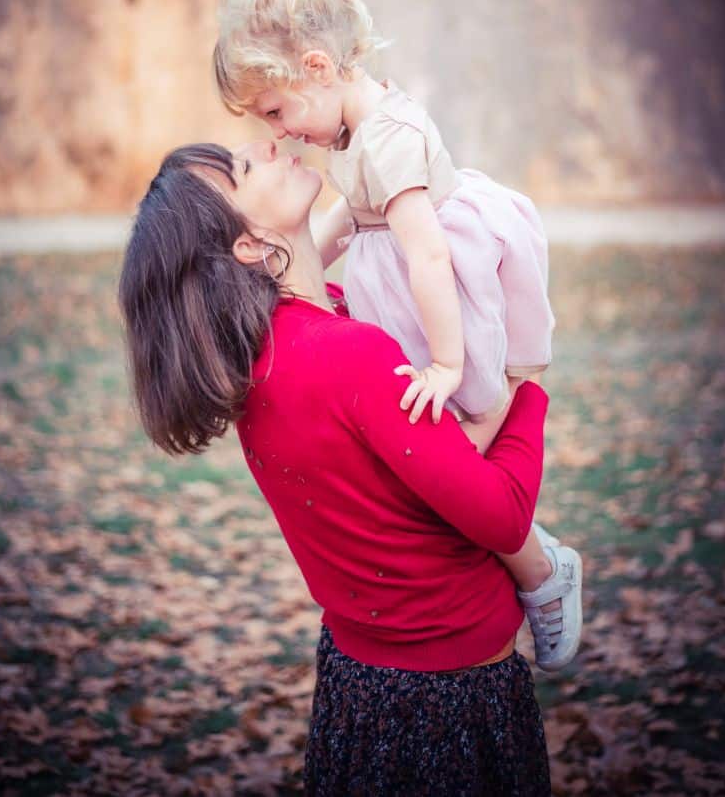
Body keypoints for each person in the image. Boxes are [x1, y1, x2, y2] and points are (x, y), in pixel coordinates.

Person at [118, 140, 552, 795]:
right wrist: (527, 381)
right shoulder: (348, 357)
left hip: (357, 683)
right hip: (448, 700)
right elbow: (503, 513)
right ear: (248, 244)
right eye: (244, 167)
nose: (265, 146)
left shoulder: (266, 352)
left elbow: (312, 284)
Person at [211, 0, 582, 671]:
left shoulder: (388, 136)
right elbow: (348, 221)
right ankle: (531, 565)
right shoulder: (351, 132)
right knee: (428, 448)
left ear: (318, 66)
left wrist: (447, 362)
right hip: (409, 277)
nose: (280, 133)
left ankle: (543, 569)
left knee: (467, 418)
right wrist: (286, 286)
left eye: (277, 111)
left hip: (444, 277)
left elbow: (430, 256)